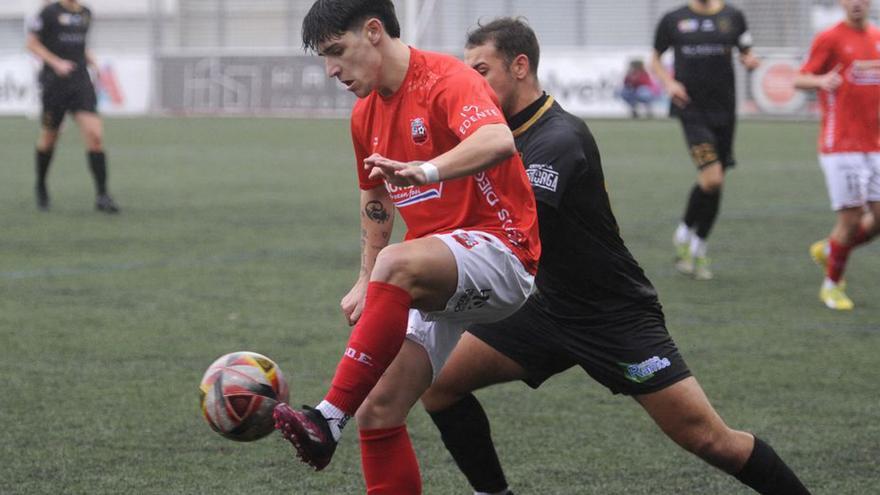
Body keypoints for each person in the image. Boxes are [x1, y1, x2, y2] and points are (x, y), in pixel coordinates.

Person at [421, 17, 811, 495]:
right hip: (545, 308)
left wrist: (427, 277)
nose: (473, 83)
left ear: (520, 66)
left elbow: (509, 232)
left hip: (613, 316)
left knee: (711, 440)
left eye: (482, 70)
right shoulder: (496, 134)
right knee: (439, 385)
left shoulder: (558, 137)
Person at [271, 1, 541, 493]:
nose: (331, 70)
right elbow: (375, 196)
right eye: (323, 59)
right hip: (437, 265)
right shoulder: (364, 115)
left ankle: (328, 419)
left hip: (502, 253)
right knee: (379, 409)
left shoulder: (446, 79)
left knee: (396, 264)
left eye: (337, 51)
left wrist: (430, 169)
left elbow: (498, 139)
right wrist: (363, 278)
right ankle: (342, 416)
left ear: (374, 31)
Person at [651, 0, 759, 279]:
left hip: (724, 110)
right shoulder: (673, 19)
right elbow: (655, 58)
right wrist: (669, 83)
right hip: (691, 109)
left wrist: (750, 60)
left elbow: (747, 51)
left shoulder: (733, 16)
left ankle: (698, 248)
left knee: (717, 181)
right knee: (712, 178)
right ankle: (684, 231)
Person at [795, 0, 879, 310]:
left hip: (875, 144)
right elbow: (798, 78)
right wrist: (820, 81)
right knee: (852, 218)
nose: (856, 3)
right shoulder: (829, 38)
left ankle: (831, 250)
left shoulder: (876, 36)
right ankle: (832, 285)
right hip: (840, 145)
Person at [26, 0, 119, 213]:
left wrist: (92, 60)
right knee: (50, 138)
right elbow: (31, 44)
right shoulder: (48, 12)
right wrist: (56, 62)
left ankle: (102, 195)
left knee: (95, 136)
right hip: (54, 83)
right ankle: (41, 184)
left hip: (80, 82)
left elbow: (79, 46)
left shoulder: (86, 13)